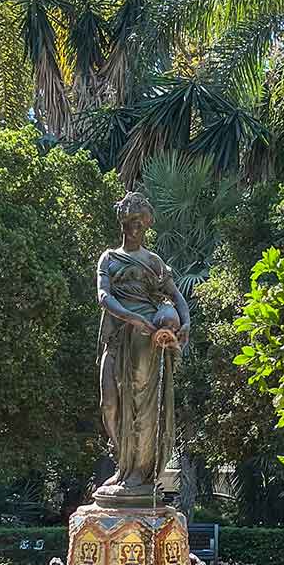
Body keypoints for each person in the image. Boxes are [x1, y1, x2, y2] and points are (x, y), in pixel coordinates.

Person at [94, 190, 191, 502]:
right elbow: (103, 296)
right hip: (117, 332)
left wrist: (185, 321)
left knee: (142, 403)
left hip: (146, 338)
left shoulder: (153, 261)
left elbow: (176, 296)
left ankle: (138, 471)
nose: (135, 228)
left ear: (146, 226)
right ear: (123, 223)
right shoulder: (109, 258)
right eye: (131, 221)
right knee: (110, 401)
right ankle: (123, 464)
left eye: (141, 223)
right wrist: (130, 317)